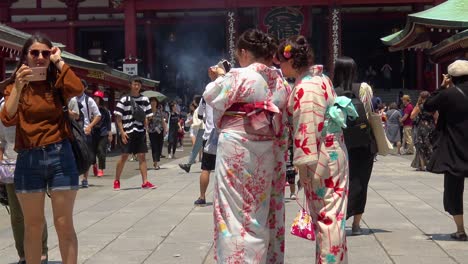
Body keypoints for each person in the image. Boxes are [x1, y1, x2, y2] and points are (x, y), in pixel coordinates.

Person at [203, 29, 290, 263]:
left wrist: (221, 76)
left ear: (243, 52)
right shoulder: (279, 80)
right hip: (267, 147)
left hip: (236, 147)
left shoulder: (239, 75)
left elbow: (211, 94)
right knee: (260, 209)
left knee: (234, 212)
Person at [1, 33, 84, 264]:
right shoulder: (15, 85)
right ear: (25, 56)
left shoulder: (56, 81)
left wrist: (59, 61)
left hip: (60, 155)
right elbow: (7, 117)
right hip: (28, 159)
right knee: (33, 226)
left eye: (45, 53)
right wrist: (18, 85)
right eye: (34, 53)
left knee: (64, 223)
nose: (40, 57)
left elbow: (77, 88)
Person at [278, 36, 349, 263]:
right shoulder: (321, 79)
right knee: (332, 215)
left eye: (281, 61)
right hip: (332, 151)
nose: (279, 66)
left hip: (320, 157)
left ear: (291, 61)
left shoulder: (306, 87)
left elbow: (307, 127)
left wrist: (304, 165)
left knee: (328, 218)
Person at [0, 94, 49, 264]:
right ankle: (23, 254)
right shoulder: (2, 106)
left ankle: (42, 251)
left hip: (34, 162)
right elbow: (0, 141)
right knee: (17, 215)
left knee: (35, 212)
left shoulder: (35, 102)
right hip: (10, 166)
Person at [424, 59, 468, 241]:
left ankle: (460, 230)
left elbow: (427, 105)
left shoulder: (448, 94)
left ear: (451, 77)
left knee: (453, 189)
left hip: (454, 147)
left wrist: (442, 87)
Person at [333, 56, 376, 237]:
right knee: (361, 180)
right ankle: (357, 224)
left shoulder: (331, 90)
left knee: (338, 182)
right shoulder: (363, 88)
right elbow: (367, 112)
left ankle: (338, 219)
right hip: (362, 140)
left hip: (338, 140)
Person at [113, 76, 156, 191]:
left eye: (138, 84)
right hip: (127, 131)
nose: (136, 86)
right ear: (130, 85)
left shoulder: (145, 100)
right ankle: (117, 179)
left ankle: (145, 182)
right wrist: (122, 132)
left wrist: (146, 125)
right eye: (134, 84)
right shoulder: (124, 99)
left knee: (142, 156)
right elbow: (118, 117)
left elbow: (148, 116)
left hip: (140, 131)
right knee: (124, 156)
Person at [76, 80, 102, 187]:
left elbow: (98, 115)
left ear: (85, 88)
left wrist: (90, 126)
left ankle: (85, 178)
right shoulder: (71, 99)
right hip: (74, 130)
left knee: (85, 155)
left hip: (85, 130)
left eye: (80, 86)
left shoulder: (89, 100)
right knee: (74, 155)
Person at [193, 96, 216, 206]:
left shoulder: (206, 96)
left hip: (209, 136)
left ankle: (202, 197)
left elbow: (200, 115)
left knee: (206, 169)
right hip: (226, 135)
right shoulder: (229, 91)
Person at [410, 91, 436, 171]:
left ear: (421, 97)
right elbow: (436, 118)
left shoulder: (420, 106)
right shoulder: (433, 106)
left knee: (420, 146)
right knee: (430, 145)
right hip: (431, 127)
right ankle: (431, 165)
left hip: (422, 128)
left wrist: (417, 105)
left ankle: (422, 166)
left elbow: (412, 116)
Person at [178, 97, 205, 173]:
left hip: (203, 129)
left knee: (196, 147)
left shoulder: (198, 109)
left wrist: (192, 125)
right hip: (208, 129)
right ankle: (189, 164)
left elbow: (197, 122)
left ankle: (189, 165)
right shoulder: (205, 107)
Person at [91, 90, 112, 176]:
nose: (95, 99)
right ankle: (94, 165)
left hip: (103, 133)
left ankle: (101, 169)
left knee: (101, 150)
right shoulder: (91, 109)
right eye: (94, 98)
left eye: (97, 98)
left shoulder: (104, 110)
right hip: (92, 133)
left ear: (100, 100)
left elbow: (108, 122)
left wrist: (109, 133)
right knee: (92, 152)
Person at [147, 97, 167, 170]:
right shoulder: (148, 112)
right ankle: (155, 163)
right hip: (152, 132)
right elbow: (146, 123)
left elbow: (163, 121)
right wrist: (149, 119)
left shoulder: (159, 111)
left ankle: (156, 160)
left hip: (160, 131)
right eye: (152, 101)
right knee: (154, 147)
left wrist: (165, 130)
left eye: (154, 101)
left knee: (159, 146)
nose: (153, 103)